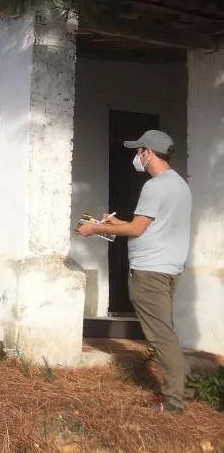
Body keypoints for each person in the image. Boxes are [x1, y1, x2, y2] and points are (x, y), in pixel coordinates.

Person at [77, 129, 191, 412]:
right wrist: (114, 224)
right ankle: (184, 389)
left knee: (160, 335)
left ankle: (174, 400)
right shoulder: (179, 185)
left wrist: (94, 228)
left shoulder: (155, 186)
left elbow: (138, 229)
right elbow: (148, 227)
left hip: (150, 272)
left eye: (138, 151)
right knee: (166, 332)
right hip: (169, 268)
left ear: (148, 153)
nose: (136, 156)